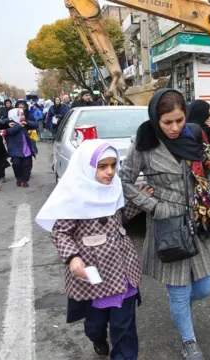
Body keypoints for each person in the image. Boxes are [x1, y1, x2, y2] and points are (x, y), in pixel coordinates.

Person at [119, 89, 210, 360]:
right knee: (179, 290)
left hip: (197, 220)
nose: (175, 127)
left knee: (205, 287)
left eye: (179, 120)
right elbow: (123, 181)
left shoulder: (194, 135)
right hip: (167, 224)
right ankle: (188, 341)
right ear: (156, 118)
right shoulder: (143, 142)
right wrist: (153, 205)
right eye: (167, 122)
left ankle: (180, 311)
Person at [35, 139, 153, 359]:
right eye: (102, 166)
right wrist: (72, 258)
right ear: (87, 167)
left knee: (124, 328)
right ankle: (97, 338)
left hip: (123, 269)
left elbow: (119, 219)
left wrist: (137, 202)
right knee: (94, 325)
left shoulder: (114, 187)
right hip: (95, 275)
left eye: (113, 165)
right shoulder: (74, 197)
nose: (109, 172)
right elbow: (60, 232)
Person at [186, 99, 210, 213]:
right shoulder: (196, 129)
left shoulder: (195, 126)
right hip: (204, 170)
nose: (208, 114)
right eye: (206, 111)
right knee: (207, 198)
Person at [6, 101, 38, 188]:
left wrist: (27, 123)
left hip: (26, 148)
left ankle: (25, 180)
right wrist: (19, 126)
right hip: (15, 148)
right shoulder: (10, 123)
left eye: (23, 113)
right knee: (16, 164)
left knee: (26, 164)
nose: (22, 116)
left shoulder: (26, 121)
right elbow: (8, 132)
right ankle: (19, 178)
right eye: (20, 114)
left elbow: (36, 124)